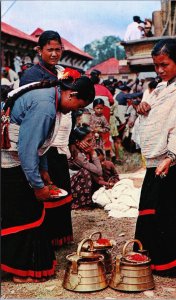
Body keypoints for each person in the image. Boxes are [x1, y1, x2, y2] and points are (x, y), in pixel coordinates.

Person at [1, 74, 95, 283]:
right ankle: (20, 270)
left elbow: (41, 143)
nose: (73, 111)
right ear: (72, 94)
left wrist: (43, 171)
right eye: (77, 106)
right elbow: (27, 150)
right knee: (26, 214)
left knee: (27, 213)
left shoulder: (51, 98)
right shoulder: (45, 106)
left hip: (19, 159)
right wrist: (37, 186)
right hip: (10, 161)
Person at [134, 38, 176, 275]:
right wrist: (143, 109)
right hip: (154, 162)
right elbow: (153, 124)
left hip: (171, 162)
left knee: (168, 212)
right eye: (156, 65)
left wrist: (171, 158)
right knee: (150, 208)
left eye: (164, 65)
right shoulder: (158, 90)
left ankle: (170, 262)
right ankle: (151, 257)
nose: (159, 70)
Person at [19, 30, 77, 247]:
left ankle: (62, 236)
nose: (54, 54)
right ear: (39, 50)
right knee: (45, 186)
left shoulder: (62, 73)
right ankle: (46, 239)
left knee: (60, 184)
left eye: (57, 49)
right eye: (49, 49)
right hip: (40, 136)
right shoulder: (31, 75)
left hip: (59, 137)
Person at [68, 124, 103, 209]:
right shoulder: (77, 155)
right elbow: (99, 171)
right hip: (71, 186)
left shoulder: (80, 150)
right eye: (88, 141)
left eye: (92, 140)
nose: (91, 144)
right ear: (77, 142)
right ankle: (81, 203)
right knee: (86, 172)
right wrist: (92, 153)